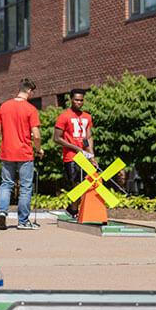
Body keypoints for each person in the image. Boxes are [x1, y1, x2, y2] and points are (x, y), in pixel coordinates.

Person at [0, 78, 43, 230]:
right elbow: (36, 135)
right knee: (26, 186)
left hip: (7, 152)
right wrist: (38, 149)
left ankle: (2, 214)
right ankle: (23, 221)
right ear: (29, 91)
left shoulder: (4, 106)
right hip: (24, 153)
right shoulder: (30, 109)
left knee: (6, 184)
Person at [53, 88, 97, 217]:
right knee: (76, 184)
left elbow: (86, 138)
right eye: (76, 100)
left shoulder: (87, 116)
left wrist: (91, 155)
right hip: (71, 157)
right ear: (71, 99)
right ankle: (74, 210)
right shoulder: (64, 116)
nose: (79, 102)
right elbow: (57, 138)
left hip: (84, 156)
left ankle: (73, 209)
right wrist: (75, 148)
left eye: (81, 100)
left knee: (88, 182)